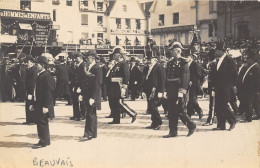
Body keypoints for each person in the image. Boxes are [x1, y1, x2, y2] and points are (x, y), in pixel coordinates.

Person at [163, 42, 196, 138]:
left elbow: (185, 77)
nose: (171, 52)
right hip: (170, 89)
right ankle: (173, 131)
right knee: (171, 111)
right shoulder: (169, 63)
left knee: (180, 111)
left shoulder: (184, 62)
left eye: (173, 50)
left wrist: (182, 91)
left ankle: (191, 125)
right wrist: (165, 90)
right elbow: (167, 77)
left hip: (178, 89)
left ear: (178, 51)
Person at [107, 46, 136, 124]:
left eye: (114, 55)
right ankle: (116, 119)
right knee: (115, 103)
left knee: (119, 102)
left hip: (119, 86)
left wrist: (124, 87)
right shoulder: (117, 64)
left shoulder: (123, 63)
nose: (113, 56)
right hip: (114, 86)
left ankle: (132, 113)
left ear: (119, 55)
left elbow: (126, 76)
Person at [213, 42, 237, 131]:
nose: (215, 52)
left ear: (222, 51)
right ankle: (221, 125)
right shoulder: (218, 60)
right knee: (218, 106)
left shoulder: (229, 60)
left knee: (223, 105)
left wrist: (230, 85)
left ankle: (232, 121)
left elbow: (234, 74)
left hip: (226, 87)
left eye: (217, 50)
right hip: (218, 87)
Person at [32, 56, 55, 148]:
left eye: (37, 64)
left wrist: (46, 106)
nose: (35, 66)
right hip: (39, 103)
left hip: (43, 104)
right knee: (40, 122)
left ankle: (44, 141)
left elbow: (49, 92)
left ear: (42, 65)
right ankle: (44, 140)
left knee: (42, 122)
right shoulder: (41, 75)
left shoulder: (46, 76)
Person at [143, 51, 165, 130]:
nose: (149, 61)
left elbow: (162, 80)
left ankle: (158, 122)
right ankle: (154, 122)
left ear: (155, 59)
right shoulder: (147, 68)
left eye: (150, 59)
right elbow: (145, 79)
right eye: (148, 59)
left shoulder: (159, 67)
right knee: (151, 107)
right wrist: (144, 90)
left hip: (156, 90)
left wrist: (161, 92)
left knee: (153, 105)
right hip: (149, 90)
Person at [24, 55, 37, 125]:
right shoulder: (29, 69)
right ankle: (28, 120)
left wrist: (31, 93)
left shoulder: (33, 70)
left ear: (31, 62)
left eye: (27, 62)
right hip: (28, 90)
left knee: (31, 105)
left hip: (31, 91)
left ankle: (32, 120)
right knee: (28, 105)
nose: (26, 63)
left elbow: (33, 82)